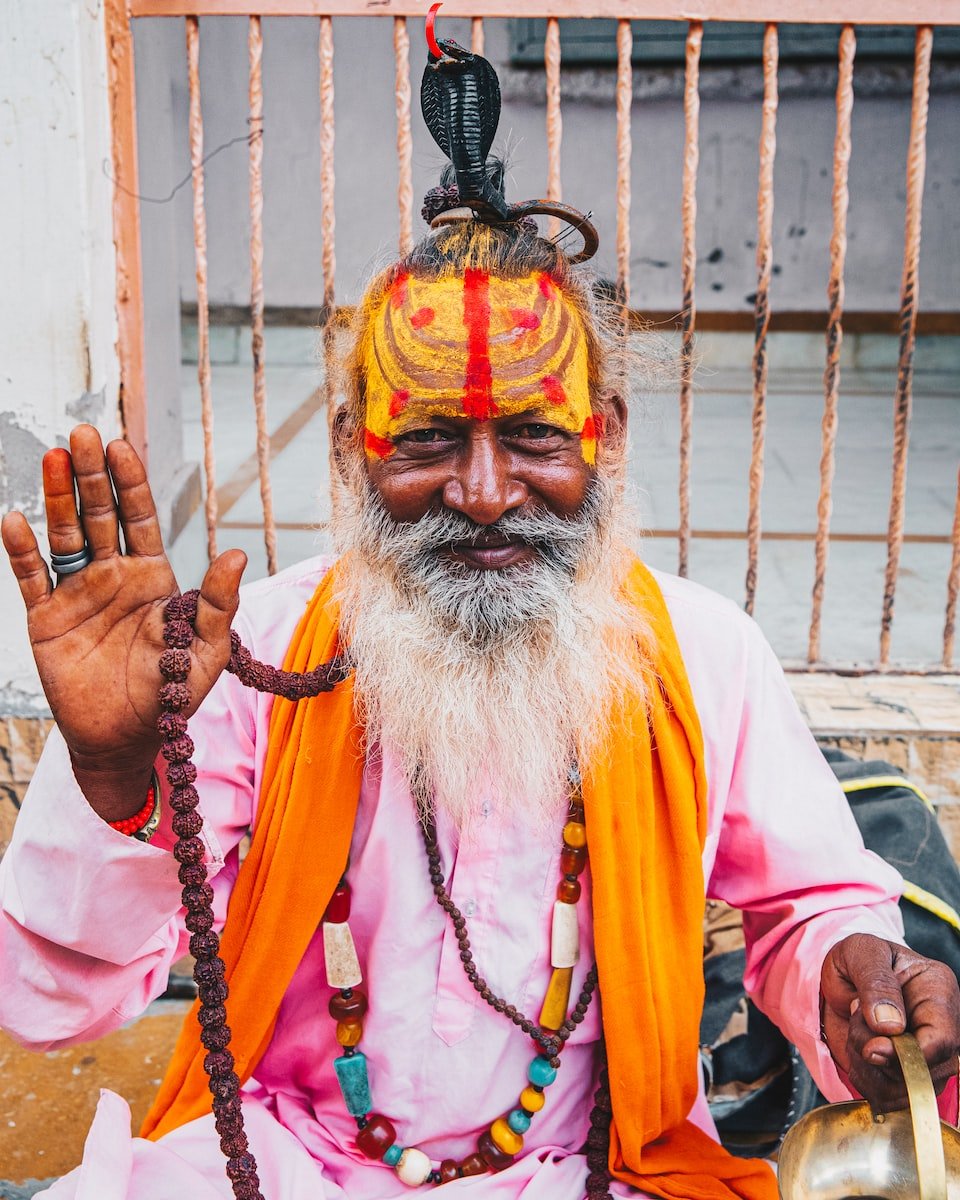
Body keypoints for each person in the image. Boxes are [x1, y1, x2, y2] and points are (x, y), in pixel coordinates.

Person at [2, 25, 959, 1200]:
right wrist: (113, 787)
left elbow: (808, 906)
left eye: (537, 436)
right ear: (355, 455)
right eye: (429, 441)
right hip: (279, 1159)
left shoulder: (708, 659)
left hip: (589, 1171)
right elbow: (45, 1014)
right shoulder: (238, 663)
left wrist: (850, 973)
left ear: (604, 435)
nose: (487, 493)